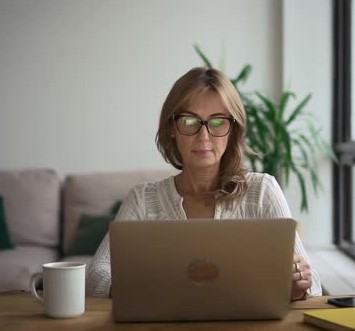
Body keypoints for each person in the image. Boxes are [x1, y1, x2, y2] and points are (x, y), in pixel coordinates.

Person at [87, 67, 322, 299]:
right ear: (171, 129)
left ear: (233, 130)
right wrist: (145, 290)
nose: (204, 136)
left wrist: (300, 284)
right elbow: (96, 276)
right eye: (190, 121)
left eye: (218, 122)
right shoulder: (142, 200)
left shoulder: (262, 191)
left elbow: (314, 288)